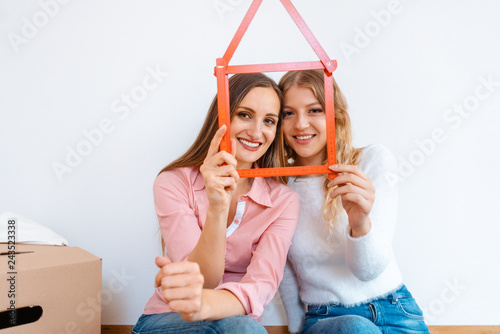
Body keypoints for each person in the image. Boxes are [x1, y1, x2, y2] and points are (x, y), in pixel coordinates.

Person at [131, 73, 300, 334]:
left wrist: (206, 306)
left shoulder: (283, 201)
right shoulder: (173, 182)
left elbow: (262, 285)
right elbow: (203, 281)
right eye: (244, 114)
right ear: (221, 117)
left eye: (269, 121)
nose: (256, 132)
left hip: (237, 324)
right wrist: (217, 208)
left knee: (244, 329)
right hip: (168, 320)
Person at [277, 70, 430, 334]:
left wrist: (359, 222)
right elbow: (283, 269)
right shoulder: (278, 186)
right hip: (328, 317)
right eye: (288, 113)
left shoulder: (371, 162)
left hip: (398, 309)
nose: (300, 124)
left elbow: (368, 271)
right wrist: (294, 329)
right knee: (355, 328)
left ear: (334, 115)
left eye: (314, 110)